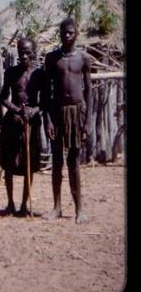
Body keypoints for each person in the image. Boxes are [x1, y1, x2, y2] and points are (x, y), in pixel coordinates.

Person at [43, 18, 92, 224]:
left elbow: (89, 90)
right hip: (58, 112)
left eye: (70, 33)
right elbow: (46, 93)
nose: (67, 36)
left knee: (73, 161)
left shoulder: (84, 59)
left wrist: (88, 120)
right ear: (60, 34)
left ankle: (79, 208)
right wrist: (48, 120)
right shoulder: (53, 59)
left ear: (77, 33)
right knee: (57, 161)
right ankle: (57, 207)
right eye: (64, 33)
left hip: (77, 112)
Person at [0, 38, 45, 217]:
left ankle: (25, 204)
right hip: (13, 122)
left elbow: (44, 101)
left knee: (29, 164)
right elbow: (3, 97)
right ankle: (10, 203)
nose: (24, 56)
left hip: (31, 123)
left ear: (33, 52)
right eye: (21, 52)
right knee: (9, 163)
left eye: (27, 52)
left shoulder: (39, 74)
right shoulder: (11, 72)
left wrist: (33, 111)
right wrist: (16, 110)